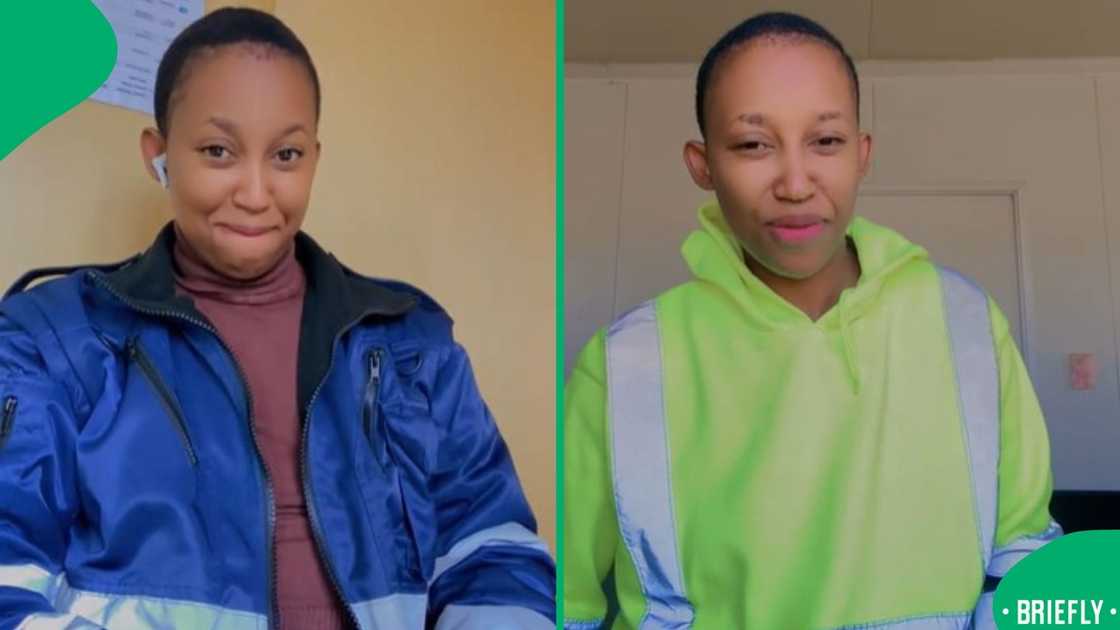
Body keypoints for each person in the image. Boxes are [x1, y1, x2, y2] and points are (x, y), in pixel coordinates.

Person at [0, 8, 553, 629]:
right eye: (218, 151)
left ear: (314, 157)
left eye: (286, 155)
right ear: (159, 155)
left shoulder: (409, 344)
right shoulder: (52, 340)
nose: (256, 194)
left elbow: (495, 553)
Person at [563, 11, 1059, 629]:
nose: (796, 184)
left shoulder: (968, 322)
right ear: (702, 164)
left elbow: (1024, 553)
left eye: (825, 141)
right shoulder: (623, 363)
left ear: (862, 154)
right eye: (753, 145)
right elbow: (558, 600)